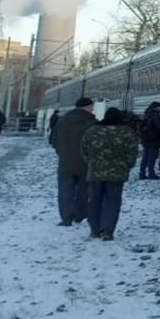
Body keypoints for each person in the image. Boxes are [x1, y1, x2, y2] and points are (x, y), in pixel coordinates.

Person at [82, 107, 138, 240]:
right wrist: (127, 165)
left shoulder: (92, 131)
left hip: (95, 173)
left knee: (94, 201)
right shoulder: (126, 132)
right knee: (112, 202)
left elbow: (84, 150)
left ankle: (94, 230)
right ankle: (107, 231)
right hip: (117, 174)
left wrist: (91, 163)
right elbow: (132, 152)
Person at [53, 97, 96, 226]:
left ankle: (66, 217)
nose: (93, 109)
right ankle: (80, 214)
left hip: (65, 162)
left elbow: (54, 140)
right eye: (91, 107)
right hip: (85, 162)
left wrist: (62, 153)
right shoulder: (92, 122)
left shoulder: (62, 121)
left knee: (65, 190)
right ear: (87, 107)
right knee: (84, 190)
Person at [137, 101, 160, 180]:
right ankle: (151, 174)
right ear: (156, 108)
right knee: (152, 158)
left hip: (145, 139)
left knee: (145, 157)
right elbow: (159, 127)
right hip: (153, 140)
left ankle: (142, 174)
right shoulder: (155, 115)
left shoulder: (146, 114)